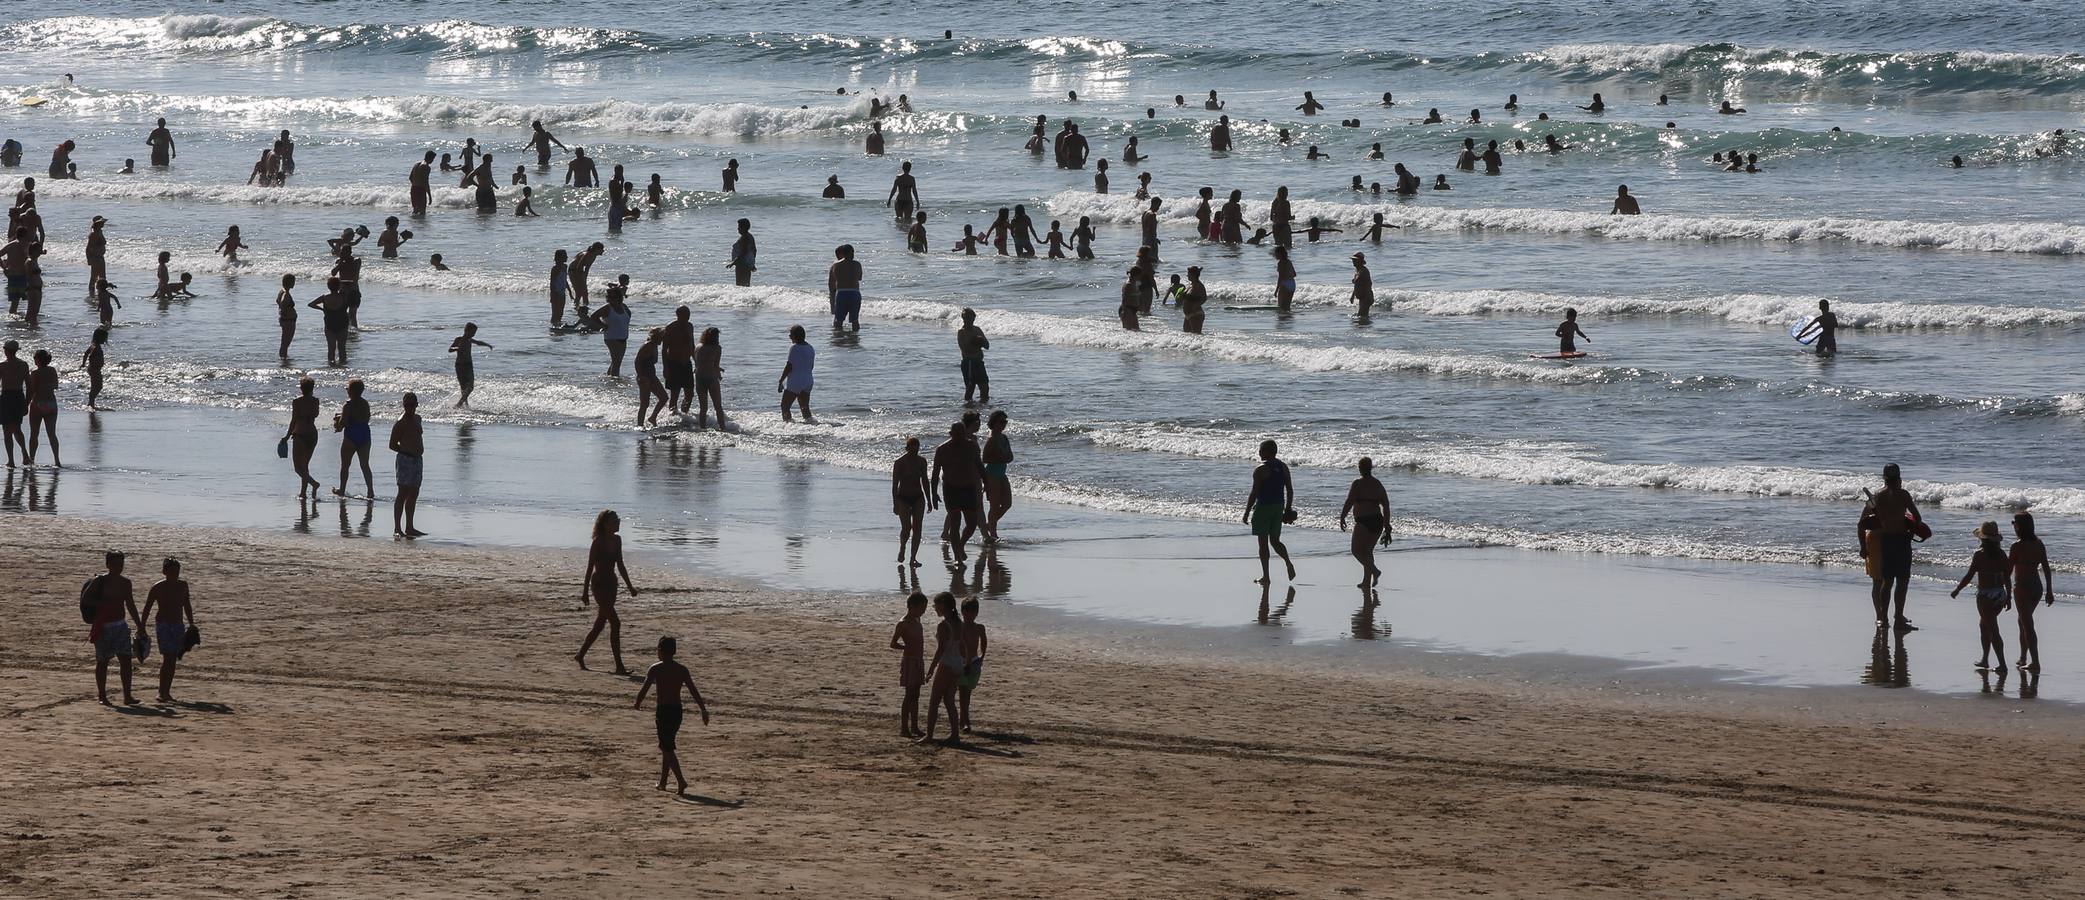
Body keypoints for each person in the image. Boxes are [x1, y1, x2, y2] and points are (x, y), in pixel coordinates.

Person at [632, 635, 708, 794]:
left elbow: (644, 688)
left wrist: (637, 703)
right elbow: (693, 690)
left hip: (664, 710)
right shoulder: (681, 669)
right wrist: (703, 709)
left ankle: (681, 781)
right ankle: (663, 782)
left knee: (666, 747)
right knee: (667, 744)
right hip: (677, 711)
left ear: (659, 650)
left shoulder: (656, 668)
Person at [1859, 463, 1923, 632]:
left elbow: (1861, 523)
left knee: (1886, 582)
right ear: (1900, 478)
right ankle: (1898, 618)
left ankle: (1883, 618)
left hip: (1886, 540)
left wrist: (1862, 546)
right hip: (1902, 540)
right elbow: (1917, 517)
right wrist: (1910, 531)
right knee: (1902, 581)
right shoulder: (1903, 494)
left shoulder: (1878, 497)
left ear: (1884, 479)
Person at [579, 509, 638, 674]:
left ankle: (580, 654)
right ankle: (619, 666)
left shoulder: (618, 540)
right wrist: (584, 592)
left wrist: (630, 586)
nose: (617, 523)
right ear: (605, 524)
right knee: (615, 622)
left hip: (612, 585)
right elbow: (590, 567)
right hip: (599, 585)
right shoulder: (598, 542)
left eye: (618, 520)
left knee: (600, 624)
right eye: (614, 521)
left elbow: (620, 565)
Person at [1955, 522, 2014, 673]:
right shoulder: (2001, 555)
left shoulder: (1980, 555)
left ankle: (2002, 664)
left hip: (1985, 595)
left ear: (1982, 539)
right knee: (1984, 625)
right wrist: (2008, 596)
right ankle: (1985, 659)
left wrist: (1958, 589)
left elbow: (1969, 576)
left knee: (1993, 629)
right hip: (1999, 594)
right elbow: (2007, 577)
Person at [87, 551, 143, 705]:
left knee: (126, 661)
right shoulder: (100, 581)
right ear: (107, 564)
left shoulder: (126, 583)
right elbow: (86, 599)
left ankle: (127, 696)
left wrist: (140, 625)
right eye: (115, 564)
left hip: (120, 626)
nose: (118, 567)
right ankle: (102, 696)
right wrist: (104, 605)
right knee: (103, 661)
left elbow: (130, 604)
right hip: (103, 626)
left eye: (121, 564)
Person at [138, 557, 193, 702]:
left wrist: (191, 623)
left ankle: (166, 692)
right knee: (167, 658)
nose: (175, 574)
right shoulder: (157, 587)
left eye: (177, 571)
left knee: (173, 659)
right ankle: (161, 692)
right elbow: (147, 608)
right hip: (163, 625)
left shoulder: (183, 586)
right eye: (172, 571)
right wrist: (141, 626)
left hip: (178, 625)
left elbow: (187, 605)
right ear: (164, 571)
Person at [1244, 439, 1296, 584]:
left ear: (1267, 452)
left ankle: (1266, 576)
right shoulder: (1283, 466)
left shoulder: (1260, 469)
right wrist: (1288, 509)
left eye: (1261, 450)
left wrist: (1247, 512)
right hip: (1278, 507)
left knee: (1263, 544)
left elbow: (1254, 493)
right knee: (1275, 541)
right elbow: (1290, 490)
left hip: (1263, 508)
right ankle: (1288, 562)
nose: (1259, 452)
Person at [919, 592, 966, 744]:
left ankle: (929, 735)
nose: (934, 608)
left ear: (944, 606)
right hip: (958, 663)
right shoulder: (959, 623)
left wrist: (931, 669)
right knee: (949, 701)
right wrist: (965, 663)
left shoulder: (943, 625)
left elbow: (941, 649)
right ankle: (955, 735)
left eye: (936, 605)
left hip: (947, 663)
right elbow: (963, 646)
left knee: (934, 701)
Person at [931, 422, 982, 560]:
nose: (959, 437)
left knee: (972, 523)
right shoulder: (942, 449)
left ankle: (960, 545)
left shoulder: (971, 446)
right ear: (951, 434)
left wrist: (987, 485)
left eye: (961, 434)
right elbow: (935, 474)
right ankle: (957, 557)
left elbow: (980, 466)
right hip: (950, 488)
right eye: (956, 434)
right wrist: (934, 494)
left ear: (965, 433)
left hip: (968, 487)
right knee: (955, 523)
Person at [2010, 513, 2053, 672]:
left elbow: (2008, 570)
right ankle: (2023, 656)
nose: (2013, 526)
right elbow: (2046, 568)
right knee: (2022, 621)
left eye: (2015, 523)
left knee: (2027, 624)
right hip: (2036, 587)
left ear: (2019, 526)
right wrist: (2049, 590)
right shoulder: (2039, 544)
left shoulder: (2017, 546)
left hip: (2022, 587)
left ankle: (2035, 662)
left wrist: (2003, 589)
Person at [1338, 458, 1390, 588]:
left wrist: (1342, 517)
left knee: (1356, 551)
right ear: (1371, 468)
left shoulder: (1357, 484)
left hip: (1364, 521)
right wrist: (1386, 524)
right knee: (1367, 552)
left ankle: (1375, 571)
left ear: (1360, 468)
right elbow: (1386, 505)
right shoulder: (1378, 484)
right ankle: (1366, 582)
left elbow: (1349, 501)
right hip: (1377, 521)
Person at [890, 592, 928, 737]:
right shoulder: (902, 623)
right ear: (912, 606)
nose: (923, 611)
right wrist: (905, 647)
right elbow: (893, 643)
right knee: (909, 695)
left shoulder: (917, 619)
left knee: (916, 695)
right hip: (909, 661)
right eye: (922, 608)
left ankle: (915, 726)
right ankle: (904, 728)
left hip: (919, 660)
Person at [389, 392, 424, 537]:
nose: (409, 408)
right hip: (405, 459)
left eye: (412, 405)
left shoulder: (418, 418)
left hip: (417, 460)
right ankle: (397, 528)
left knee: (414, 492)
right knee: (402, 492)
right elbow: (391, 445)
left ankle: (410, 526)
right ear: (403, 406)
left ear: (416, 405)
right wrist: (406, 451)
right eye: (407, 405)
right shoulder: (400, 423)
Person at [892, 438, 930, 566]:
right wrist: (895, 503)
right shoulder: (899, 463)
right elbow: (894, 484)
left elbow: (925, 481)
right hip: (903, 498)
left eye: (917, 448)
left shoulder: (921, 461)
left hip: (918, 497)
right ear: (907, 448)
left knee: (917, 528)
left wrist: (929, 500)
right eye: (912, 448)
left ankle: (913, 558)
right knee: (906, 528)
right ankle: (902, 547)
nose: (915, 451)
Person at [285, 376, 324, 497]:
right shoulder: (315, 401)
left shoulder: (297, 402)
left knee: (298, 468)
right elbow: (315, 414)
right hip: (312, 434)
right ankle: (303, 493)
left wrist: (287, 436)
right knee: (305, 466)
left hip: (300, 434)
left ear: (301, 388)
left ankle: (314, 484)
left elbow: (294, 420)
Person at [334, 378, 374, 497]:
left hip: (351, 436)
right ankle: (370, 491)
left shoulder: (348, 404)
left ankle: (342, 489)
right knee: (365, 465)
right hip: (364, 434)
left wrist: (337, 423)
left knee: (345, 465)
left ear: (351, 391)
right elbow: (366, 418)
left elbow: (344, 423)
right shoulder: (365, 403)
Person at [590, 278, 633, 375]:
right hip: (612, 337)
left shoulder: (624, 307)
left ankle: (610, 379)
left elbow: (627, 318)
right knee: (616, 363)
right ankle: (615, 383)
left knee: (616, 362)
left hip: (623, 337)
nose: (612, 299)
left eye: (614, 297)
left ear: (619, 297)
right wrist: (602, 325)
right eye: (610, 297)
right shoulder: (607, 308)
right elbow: (593, 317)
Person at [957, 597, 987, 732]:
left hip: (974, 661)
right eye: (966, 612)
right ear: (962, 612)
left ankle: (963, 719)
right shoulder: (959, 627)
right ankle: (965, 720)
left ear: (977, 613)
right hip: (961, 663)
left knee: (967, 692)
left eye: (972, 613)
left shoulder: (979, 628)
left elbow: (984, 641)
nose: (969, 616)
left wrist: (982, 656)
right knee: (963, 692)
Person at [981, 410, 1012, 543]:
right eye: (1000, 422)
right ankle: (993, 533)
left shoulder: (1004, 438)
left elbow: (1010, 456)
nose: (1003, 425)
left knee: (1007, 504)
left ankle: (988, 525)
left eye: (1005, 422)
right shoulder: (991, 439)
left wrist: (1005, 458)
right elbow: (985, 458)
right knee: (994, 506)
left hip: (1002, 474)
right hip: (992, 474)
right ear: (993, 423)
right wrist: (999, 458)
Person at [26, 348, 57, 467]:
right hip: (51, 403)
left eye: (35, 358)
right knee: (52, 434)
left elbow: (32, 390)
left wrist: (26, 404)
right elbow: (55, 386)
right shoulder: (52, 370)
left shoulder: (35, 372)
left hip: (38, 403)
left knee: (34, 434)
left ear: (38, 360)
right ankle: (57, 460)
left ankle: (32, 460)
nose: (34, 360)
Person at [777, 324, 814, 422]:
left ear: (795, 336)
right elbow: (811, 367)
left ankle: (788, 426)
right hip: (808, 381)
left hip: (795, 381)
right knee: (804, 408)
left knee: (785, 406)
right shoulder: (810, 348)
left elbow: (789, 366)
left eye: (790, 334)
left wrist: (781, 380)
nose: (789, 337)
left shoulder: (794, 348)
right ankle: (811, 424)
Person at [449, 323, 493, 406]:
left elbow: (478, 342)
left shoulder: (470, 340)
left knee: (470, 387)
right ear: (466, 331)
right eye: (472, 332)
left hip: (469, 365)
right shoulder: (459, 339)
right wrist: (457, 348)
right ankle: (464, 404)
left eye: (475, 333)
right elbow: (450, 349)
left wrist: (488, 345)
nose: (473, 334)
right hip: (460, 365)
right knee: (463, 387)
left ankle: (460, 404)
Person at [633, 328, 669, 427]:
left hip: (651, 376)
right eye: (662, 338)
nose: (663, 340)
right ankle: (639, 426)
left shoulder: (654, 346)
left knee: (663, 398)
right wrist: (640, 376)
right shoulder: (648, 345)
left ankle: (652, 417)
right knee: (644, 404)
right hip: (644, 377)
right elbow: (637, 361)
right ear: (656, 337)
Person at [0, 341, 27, 467]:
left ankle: (11, 460)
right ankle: (24, 453)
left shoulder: (2, 366)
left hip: (6, 397)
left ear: (6, 351)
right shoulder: (23, 364)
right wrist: (27, 402)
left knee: (7, 430)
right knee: (17, 429)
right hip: (18, 396)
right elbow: (29, 385)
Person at [956, 308, 989, 405]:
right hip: (969, 362)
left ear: (974, 317)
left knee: (985, 387)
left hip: (979, 362)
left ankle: (983, 406)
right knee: (970, 387)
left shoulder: (977, 329)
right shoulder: (961, 332)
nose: (968, 319)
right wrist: (976, 342)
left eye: (970, 317)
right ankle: (968, 407)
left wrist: (981, 341)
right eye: (966, 317)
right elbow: (965, 349)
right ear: (963, 318)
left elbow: (987, 345)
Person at [695, 326, 726, 429]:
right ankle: (722, 427)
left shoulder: (698, 346)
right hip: (711, 378)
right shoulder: (717, 348)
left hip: (699, 378)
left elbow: (699, 363)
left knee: (703, 408)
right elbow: (715, 365)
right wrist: (719, 375)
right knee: (718, 406)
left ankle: (702, 428)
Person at [828, 244, 863, 330]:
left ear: (842, 254)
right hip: (854, 293)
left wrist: (832, 300)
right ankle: (854, 340)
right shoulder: (857, 264)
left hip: (841, 293)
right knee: (855, 321)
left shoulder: (835, 265)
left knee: (838, 320)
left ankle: (839, 339)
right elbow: (860, 278)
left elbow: (831, 284)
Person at [727, 218, 756, 287]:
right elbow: (754, 250)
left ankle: (742, 297)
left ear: (744, 228)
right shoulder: (750, 236)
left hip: (742, 264)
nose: (738, 229)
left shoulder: (744, 238)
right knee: (745, 285)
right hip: (747, 263)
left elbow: (744, 252)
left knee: (740, 285)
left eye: (739, 227)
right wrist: (751, 262)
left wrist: (733, 262)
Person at [548, 249, 569, 327]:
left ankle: (558, 325)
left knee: (561, 312)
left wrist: (569, 291)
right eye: (565, 255)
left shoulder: (565, 266)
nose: (567, 257)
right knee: (555, 312)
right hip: (556, 292)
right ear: (560, 257)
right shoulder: (555, 268)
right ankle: (554, 326)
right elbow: (552, 282)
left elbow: (564, 280)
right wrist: (553, 294)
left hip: (562, 292)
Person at [1349, 253, 1374, 317]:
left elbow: (1366, 284)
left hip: (1366, 297)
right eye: (1353, 260)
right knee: (1362, 317)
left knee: (1361, 316)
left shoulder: (1364, 271)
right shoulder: (1357, 271)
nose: (1353, 262)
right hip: (1362, 298)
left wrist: (1354, 280)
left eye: (1355, 260)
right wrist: (1352, 296)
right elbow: (1356, 285)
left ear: (1360, 261)